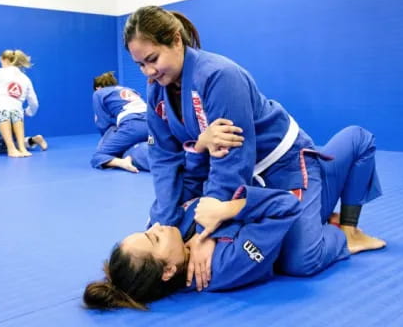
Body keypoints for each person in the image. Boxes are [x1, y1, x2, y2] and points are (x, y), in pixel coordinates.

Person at [122, 6, 384, 282]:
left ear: (176, 40)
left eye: (152, 59)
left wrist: (207, 234)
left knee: (301, 260)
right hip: (247, 182)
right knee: (270, 241)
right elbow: (163, 158)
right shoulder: (156, 91)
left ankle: (347, 224)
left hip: (283, 165)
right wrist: (164, 221)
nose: (148, 72)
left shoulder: (218, 76)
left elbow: (232, 159)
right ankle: (315, 209)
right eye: (140, 65)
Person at [83, 127, 386, 310]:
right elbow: (284, 207)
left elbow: (187, 182)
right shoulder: (222, 266)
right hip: (292, 198)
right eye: (154, 237)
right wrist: (227, 210)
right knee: (359, 138)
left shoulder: (170, 231)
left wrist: (200, 145)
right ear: (168, 271)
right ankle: (347, 231)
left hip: (264, 179)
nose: (157, 227)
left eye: (147, 230)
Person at [90, 71, 149, 173]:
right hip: (153, 124)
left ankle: (122, 162)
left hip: (133, 126)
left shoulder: (98, 93)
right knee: (148, 143)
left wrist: (107, 139)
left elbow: (103, 122)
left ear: (97, 87)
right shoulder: (128, 89)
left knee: (98, 156)